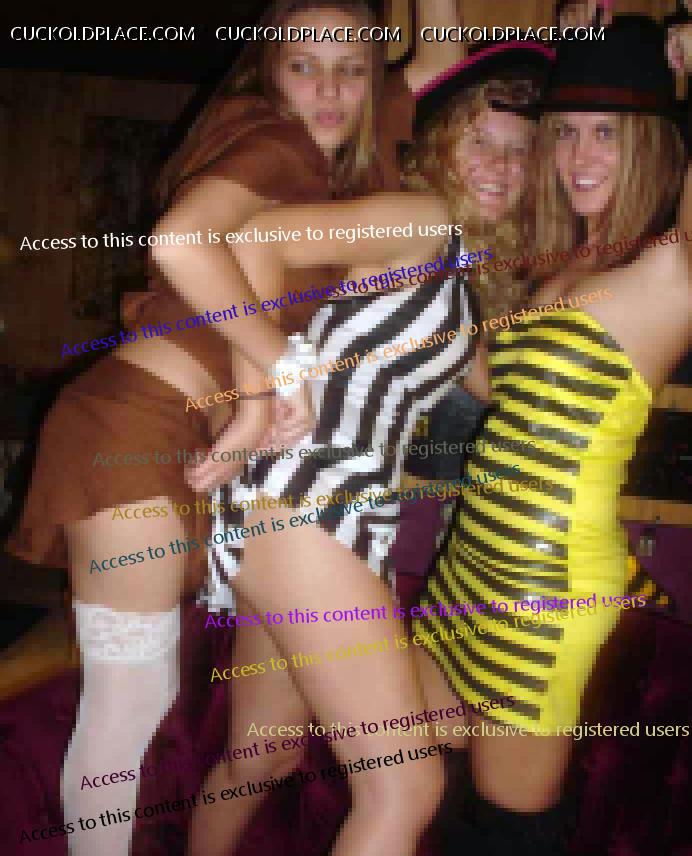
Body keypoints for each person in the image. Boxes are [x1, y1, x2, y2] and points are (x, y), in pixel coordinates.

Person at [6, 2, 464, 853]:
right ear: (268, 70)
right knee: (128, 704)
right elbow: (181, 241)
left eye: (351, 70)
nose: (329, 89)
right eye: (305, 66)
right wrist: (273, 374)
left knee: (145, 702)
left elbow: (441, 48)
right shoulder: (278, 138)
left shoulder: (332, 154)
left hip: (170, 428)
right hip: (139, 422)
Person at [178, 38, 555, 856]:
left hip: (325, 511)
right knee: (405, 787)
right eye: (481, 140)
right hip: (306, 493)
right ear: (442, 143)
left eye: (521, 150)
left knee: (261, 756)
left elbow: (512, 385)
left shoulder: (460, 278)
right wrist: (258, 396)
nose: (500, 164)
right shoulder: (420, 220)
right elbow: (251, 241)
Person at [413, 16, 690, 855]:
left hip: (544, 588)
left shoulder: (669, 267)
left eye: (607, 132)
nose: (578, 154)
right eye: (564, 131)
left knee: (508, 832)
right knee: (420, 788)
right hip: (470, 562)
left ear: (652, 141)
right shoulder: (565, 262)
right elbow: (498, 390)